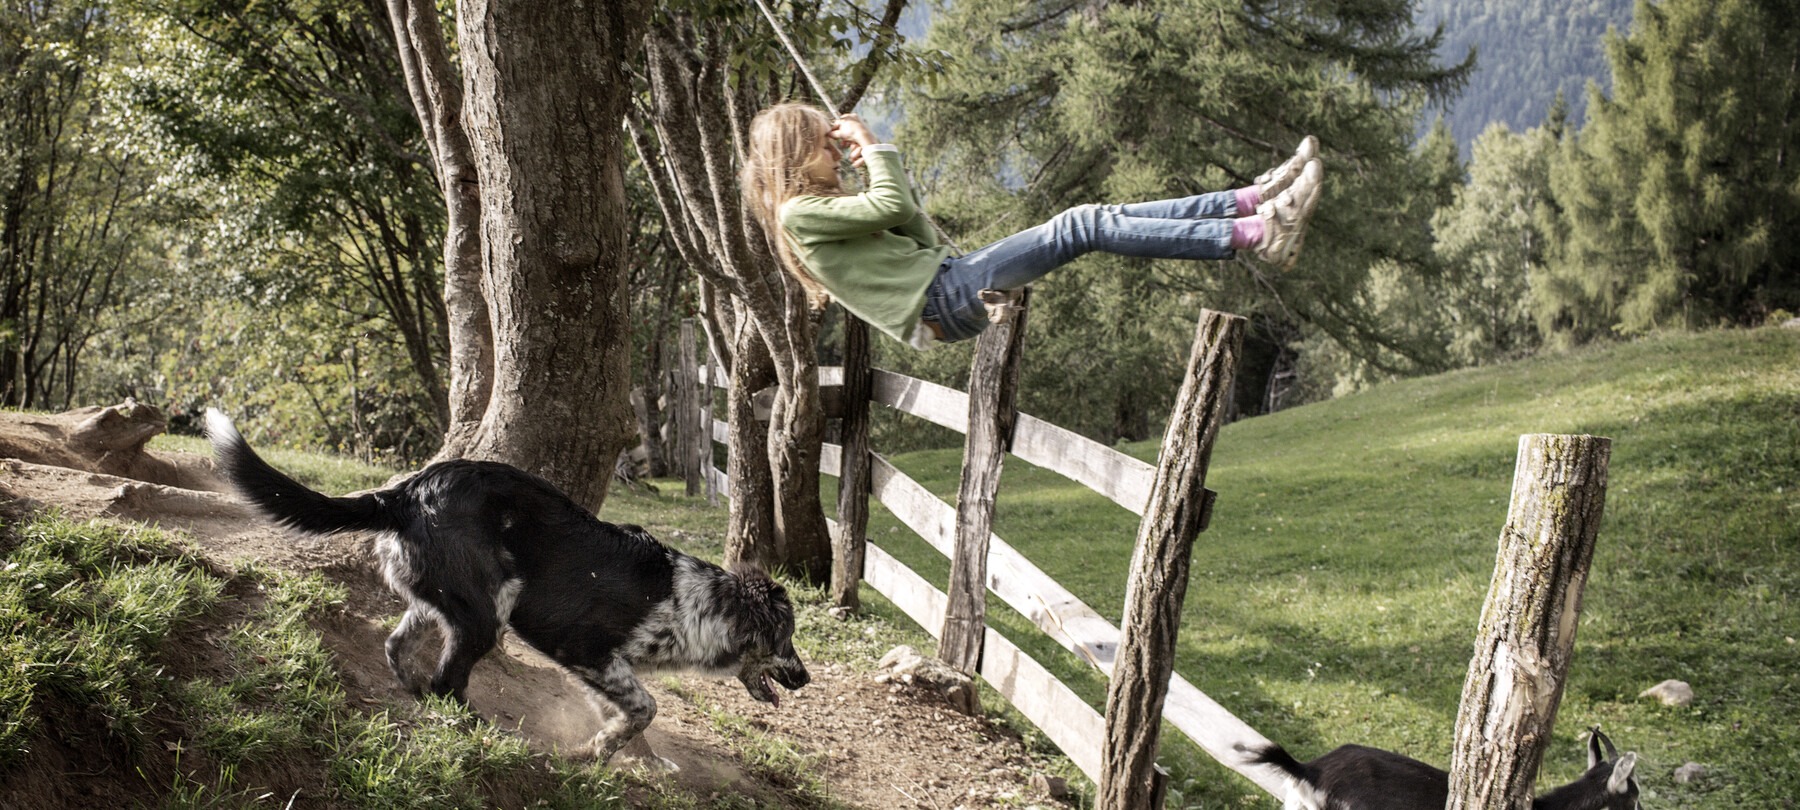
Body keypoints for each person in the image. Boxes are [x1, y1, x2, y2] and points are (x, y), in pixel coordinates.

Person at [740, 102, 1323, 349]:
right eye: (824, 148)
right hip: (942, 301)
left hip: (945, 282)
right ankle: (1259, 233)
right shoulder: (799, 214)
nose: (836, 155)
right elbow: (893, 211)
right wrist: (875, 148)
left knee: (1099, 218)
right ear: (793, 154)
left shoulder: (817, 212)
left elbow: (915, 230)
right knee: (1081, 224)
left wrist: (877, 177)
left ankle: (1251, 202)